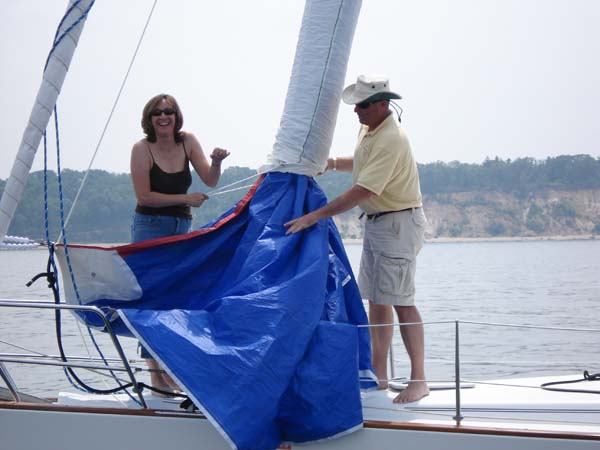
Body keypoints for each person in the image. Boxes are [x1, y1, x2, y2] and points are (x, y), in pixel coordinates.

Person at [285, 75, 428, 403]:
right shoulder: (370, 128)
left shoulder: (391, 138)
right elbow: (364, 163)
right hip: (378, 223)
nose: (355, 111)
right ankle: (379, 374)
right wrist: (332, 164)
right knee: (378, 299)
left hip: (398, 223)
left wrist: (314, 216)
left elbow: (364, 189)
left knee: (402, 300)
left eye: (362, 105)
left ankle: (419, 379)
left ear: (383, 104)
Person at [130, 93, 230, 393]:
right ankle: (155, 375)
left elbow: (210, 180)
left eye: (169, 111)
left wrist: (216, 162)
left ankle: (168, 368)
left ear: (176, 116)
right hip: (149, 227)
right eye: (157, 113)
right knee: (152, 299)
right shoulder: (141, 148)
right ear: (149, 119)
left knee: (174, 298)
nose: (164, 117)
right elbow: (144, 197)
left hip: (181, 227)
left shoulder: (187, 141)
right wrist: (185, 198)